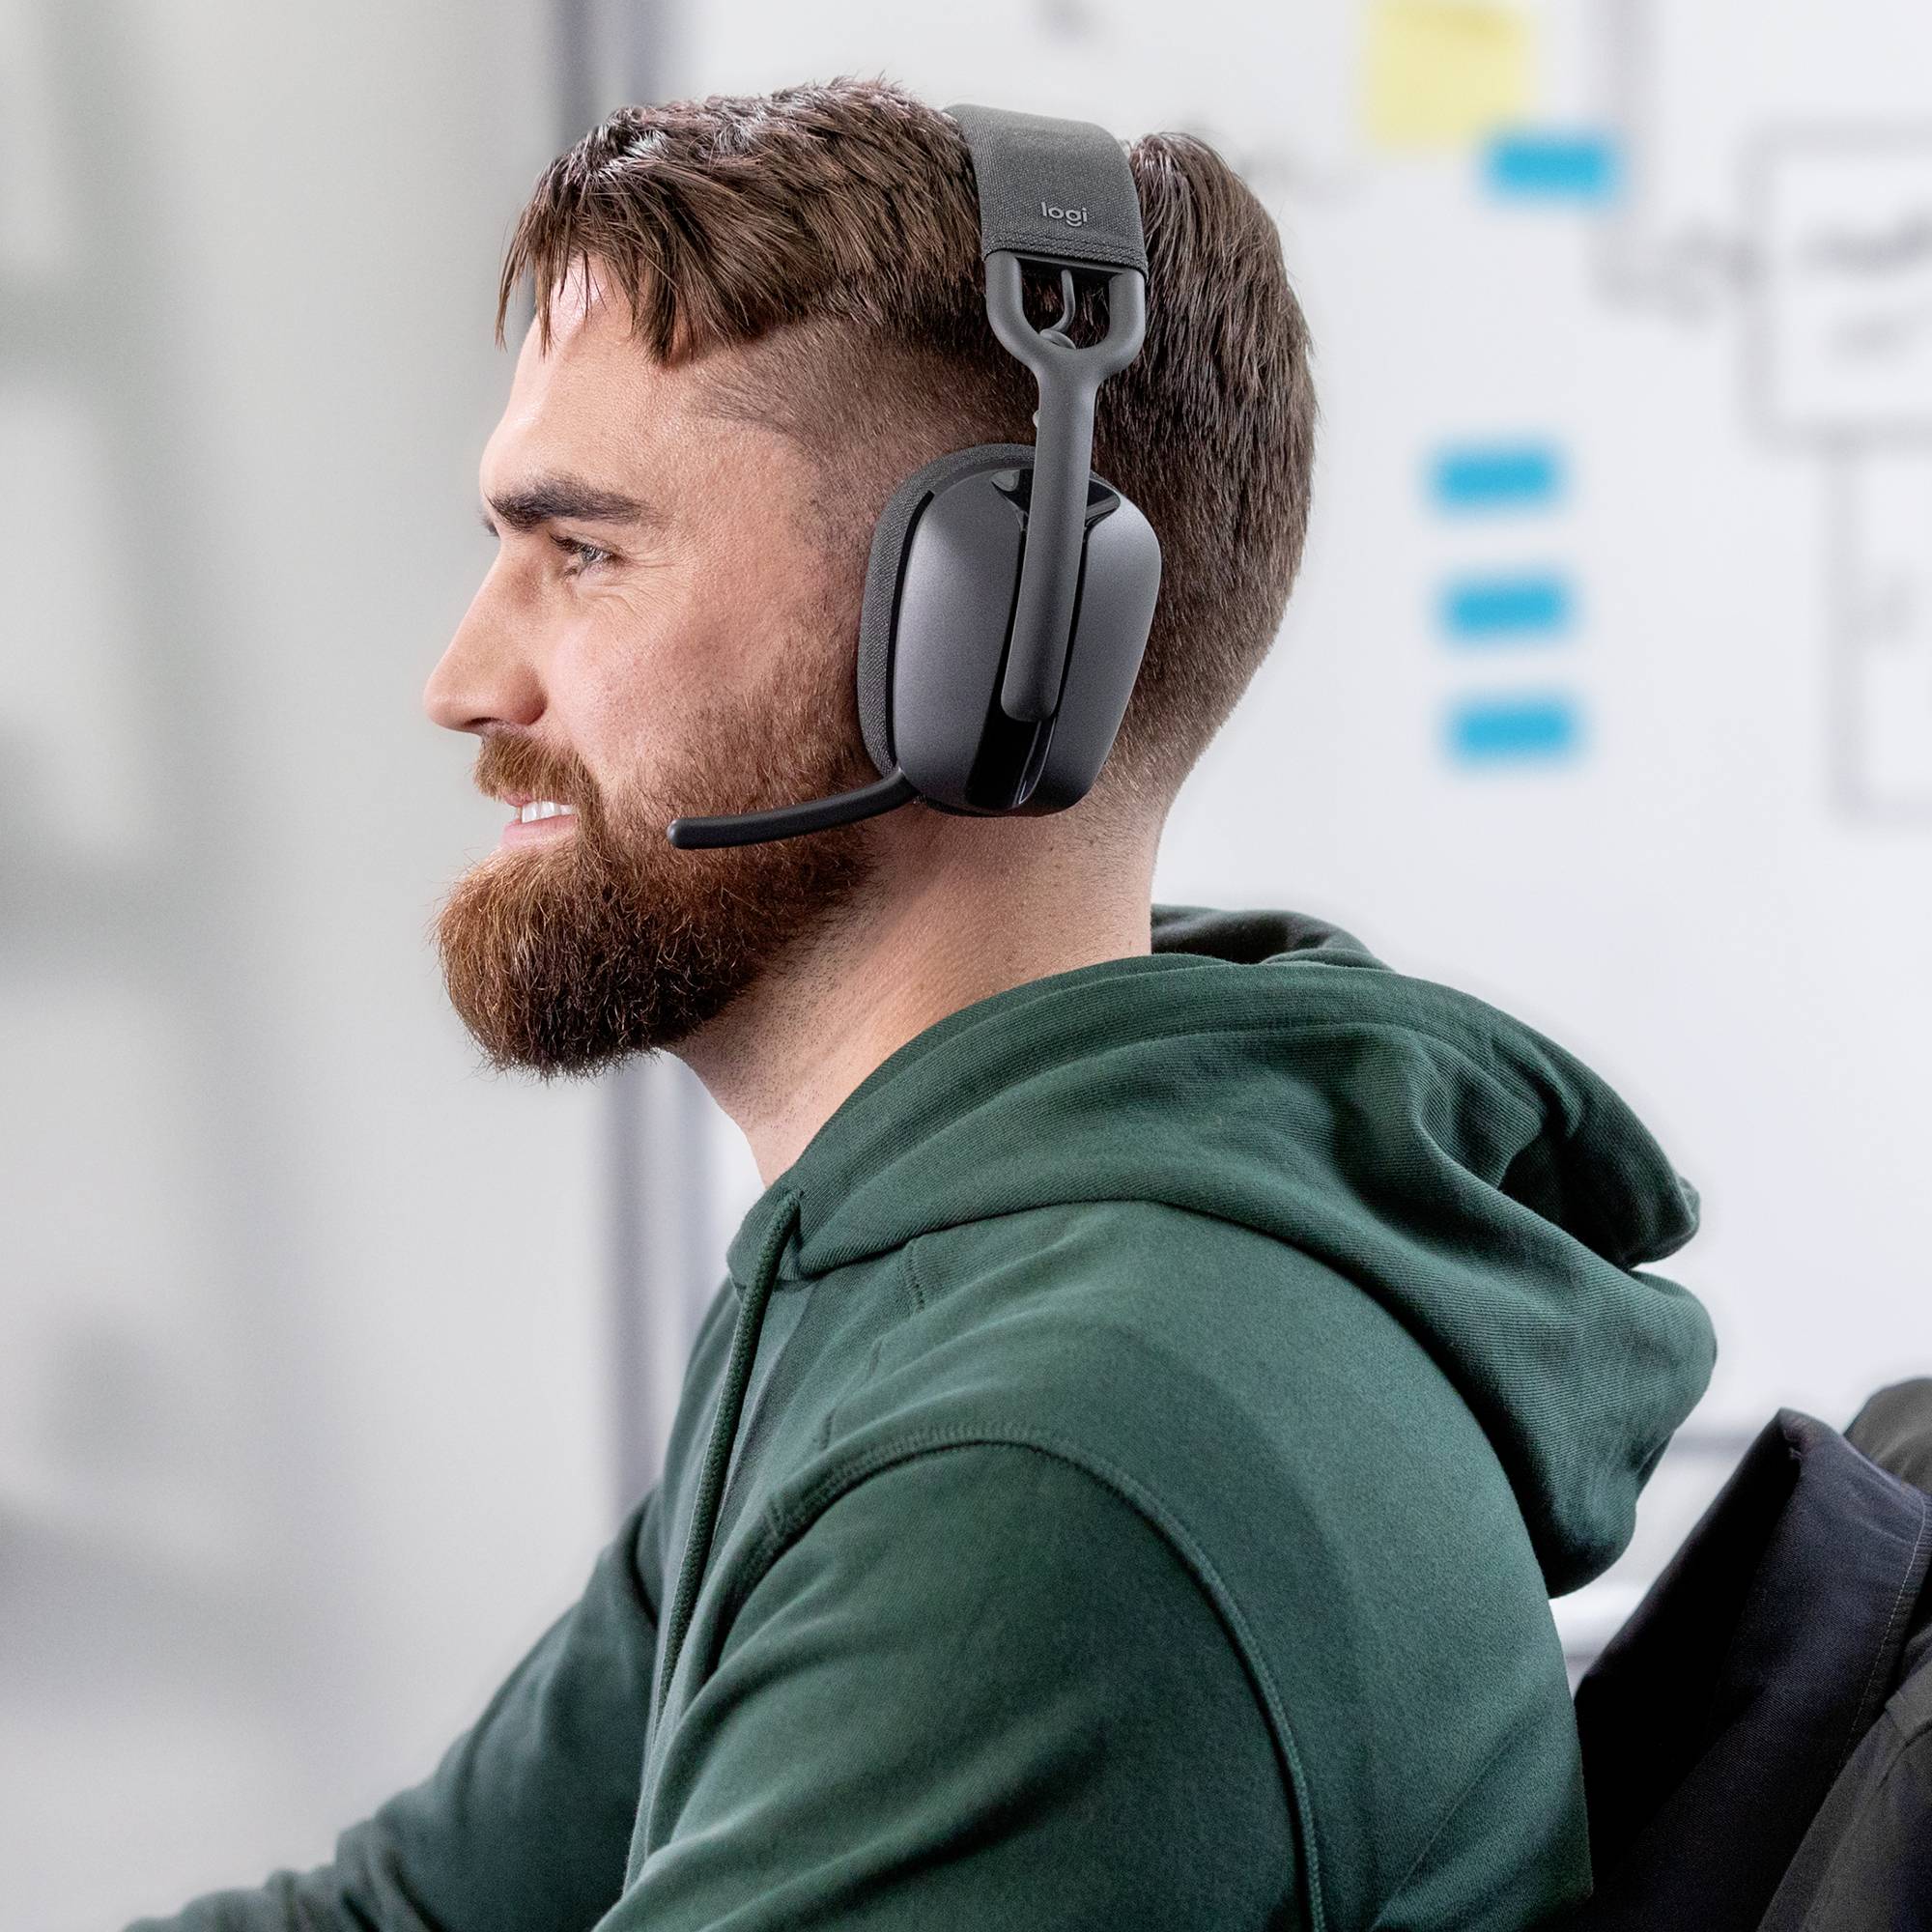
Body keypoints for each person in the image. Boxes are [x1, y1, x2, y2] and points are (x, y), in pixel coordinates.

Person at [128, 76, 1715, 1931]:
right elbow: (405, 1919)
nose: (464, 681)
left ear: (986, 645)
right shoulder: (912, 1281)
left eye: (585, 553)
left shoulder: (1049, 1472)